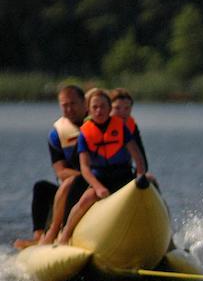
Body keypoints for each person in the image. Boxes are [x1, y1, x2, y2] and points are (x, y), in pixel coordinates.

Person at [56, 89, 149, 245]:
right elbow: (84, 167)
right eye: (95, 107)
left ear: (108, 109)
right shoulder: (85, 133)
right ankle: (65, 235)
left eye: (103, 107)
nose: (99, 111)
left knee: (146, 195)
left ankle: (162, 239)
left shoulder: (120, 127)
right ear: (89, 109)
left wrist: (140, 176)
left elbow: (137, 157)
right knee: (86, 199)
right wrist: (98, 188)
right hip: (100, 177)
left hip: (123, 176)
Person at [12, 85, 90, 248]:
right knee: (41, 187)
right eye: (64, 105)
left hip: (102, 182)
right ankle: (40, 236)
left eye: (73, 104)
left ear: (84, 103)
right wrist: (86, 176)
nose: (69, 109)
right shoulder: (57, 134)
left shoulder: (98, 122)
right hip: (75, 186)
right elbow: (61, 172)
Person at [110, 88, 149, 171]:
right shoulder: (97, 125)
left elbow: (142, 157)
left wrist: (143, 175)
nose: (122, 112)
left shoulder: (132, 126)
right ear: (108, 108)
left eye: (127, 108)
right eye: (117, 108)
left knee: (150, 180)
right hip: (98, 175)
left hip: (123, 172)